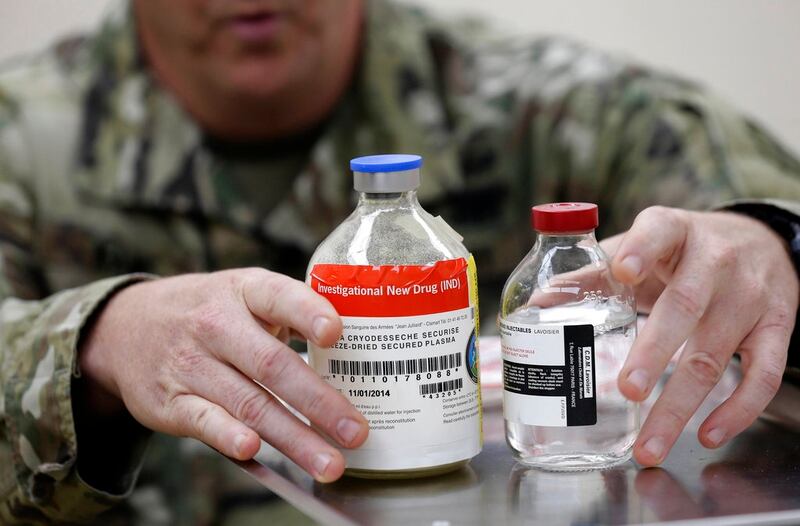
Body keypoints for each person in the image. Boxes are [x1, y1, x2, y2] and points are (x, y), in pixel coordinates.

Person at [0, 0, 798, 523]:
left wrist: (772, 245)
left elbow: (744, 218)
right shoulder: (19, 138)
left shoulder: (543, 107)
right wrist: (97, 339)